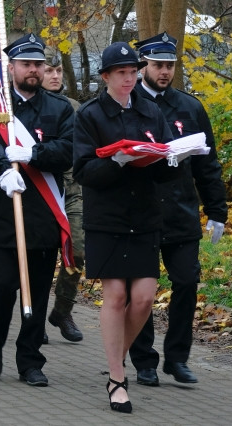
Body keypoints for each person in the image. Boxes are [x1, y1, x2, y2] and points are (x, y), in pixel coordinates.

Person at [73, 41, 178, 414]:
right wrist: (118, 159)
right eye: (122, 74)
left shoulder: (151, 110)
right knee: (116, 296)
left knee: (145, 298)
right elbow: (84, 171)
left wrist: (171, 157)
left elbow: (167, 168)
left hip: (145, 215)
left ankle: (116, 354)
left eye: (134, 73)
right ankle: (117, 378)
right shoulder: (89, 115)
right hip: (107, 218)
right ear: (105, 77)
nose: (129, 79)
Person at [0, 33, 75, 387]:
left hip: (43, 214)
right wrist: (1, 168)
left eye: (38, 64)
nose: (33, 70)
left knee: (39, 291)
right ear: (10, 67)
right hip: (3, 212)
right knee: (2, 285)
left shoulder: (58, 108)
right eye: (26, 64)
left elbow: (69, 149)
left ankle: (30, 360)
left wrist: (34, 154)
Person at [128, 33, 229, 386]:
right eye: (158, 65)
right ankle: (143, 360)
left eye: (170, 65)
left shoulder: (190, 107)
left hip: (181, 211)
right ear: (143, 66)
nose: (165, 72)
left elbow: (208, 164)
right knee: (139, 291)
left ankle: (177, 357)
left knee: (186, 281)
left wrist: (217, 209)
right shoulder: (127, 104)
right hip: (138, 212)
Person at [41, 47, 86, 342]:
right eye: (49, 70)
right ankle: (33, 318)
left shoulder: (74, 107)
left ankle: (62, 310)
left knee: (78, 249)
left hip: (74, 187)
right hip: (43, 186)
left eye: (58, 71)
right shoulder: (29, 107)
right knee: (40, 257)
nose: (55, 76)